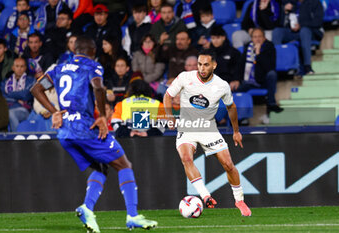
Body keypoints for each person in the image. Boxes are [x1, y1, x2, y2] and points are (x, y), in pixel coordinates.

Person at [30, 35, 158, 233]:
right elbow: (98, 87)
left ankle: (87, 209)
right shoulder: (92, 66)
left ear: (75, 51)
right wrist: (102, 116)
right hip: (85, 128)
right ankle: (132, 216)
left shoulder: (58, 68)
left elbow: (36, 89)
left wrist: (55, 111)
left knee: (100, 168)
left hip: (65, 132)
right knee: (124, 164)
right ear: (92, 52)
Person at [163, 49, 252, 216]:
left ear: (214, 65)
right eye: (199, 64)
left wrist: (236, 131)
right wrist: (170, 117)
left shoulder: (222, 85)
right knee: (186, 158)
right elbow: (168, 96)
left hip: (208, 128)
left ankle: (239, 200)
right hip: (187, 127)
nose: (201, 68)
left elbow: (231, 107)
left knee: (228, 165)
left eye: (205, 65)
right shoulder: (185, 77)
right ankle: (205, 196)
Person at [235, 28, 283, 113]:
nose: (257, 39)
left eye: (259, 36)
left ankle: (271, 104)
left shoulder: (269, 47)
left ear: (264, 38)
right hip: (249, 81)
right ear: (252, 38)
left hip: (263, 81)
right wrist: (237, 80)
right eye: (255, 37)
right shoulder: (248, 48)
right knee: (231, 91)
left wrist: (258, 53)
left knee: (272, 74)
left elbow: (269, 67)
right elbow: (240, 65)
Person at [272, 0, 323, 75]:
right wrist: (284, 11)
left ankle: (307, 66)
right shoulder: (289, 2)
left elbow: (318, 22)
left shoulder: (315, 2)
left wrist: (301, 25)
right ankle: (278, 64)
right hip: (292, 32)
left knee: (304, 31)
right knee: (277, 31)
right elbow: (278, 23)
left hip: (310, 32)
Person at [1, 57, 35, 131]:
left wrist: (9, 94)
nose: (19, 69)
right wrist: (17, 99)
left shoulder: (31, 80)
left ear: (25, 68)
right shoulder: (5, 82)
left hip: (24, 110)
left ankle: (17, 138)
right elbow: (3, 97)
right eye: (17, 66)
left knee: (10, 113)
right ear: (13, 68)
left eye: (22, 66)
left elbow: (26, 95)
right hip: (7, 108)